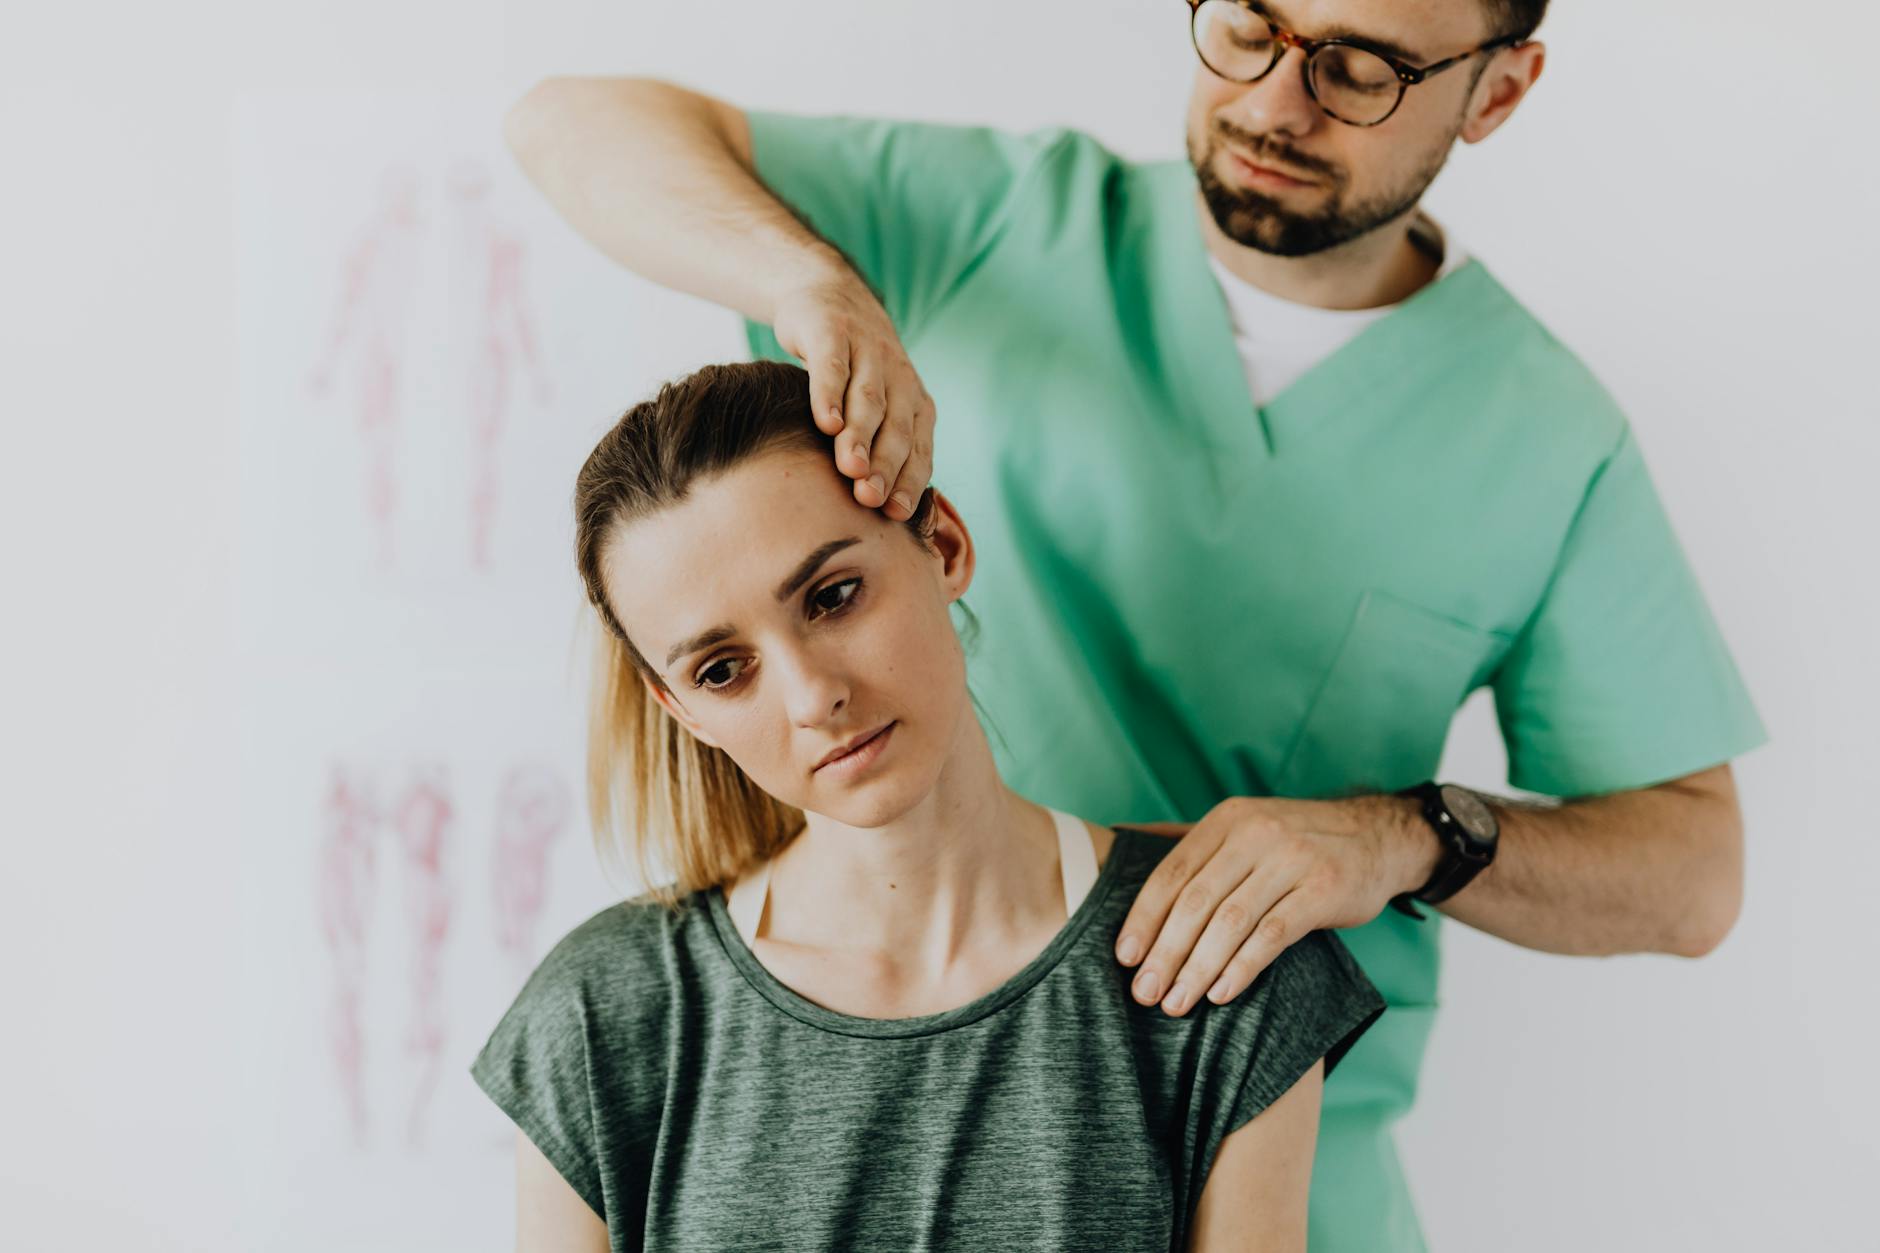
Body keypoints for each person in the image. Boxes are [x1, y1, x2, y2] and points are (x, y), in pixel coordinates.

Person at [501, 0, 1766, 1246]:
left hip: (1271, 1145)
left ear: (1496, 90)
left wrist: (1397, 839)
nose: (1274, 100)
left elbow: (1692, 878)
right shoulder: (990, 223)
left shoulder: (1543, 436)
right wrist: (808, 282)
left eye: (1360, 68)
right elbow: (568, 120)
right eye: (1248, 26)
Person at [470, 359, 1386, 1251]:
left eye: (833, 597)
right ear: (683, 711)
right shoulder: (601, 1018)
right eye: (722, 669)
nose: (809, 695)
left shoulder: (1222, 958)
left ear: (942, 543)